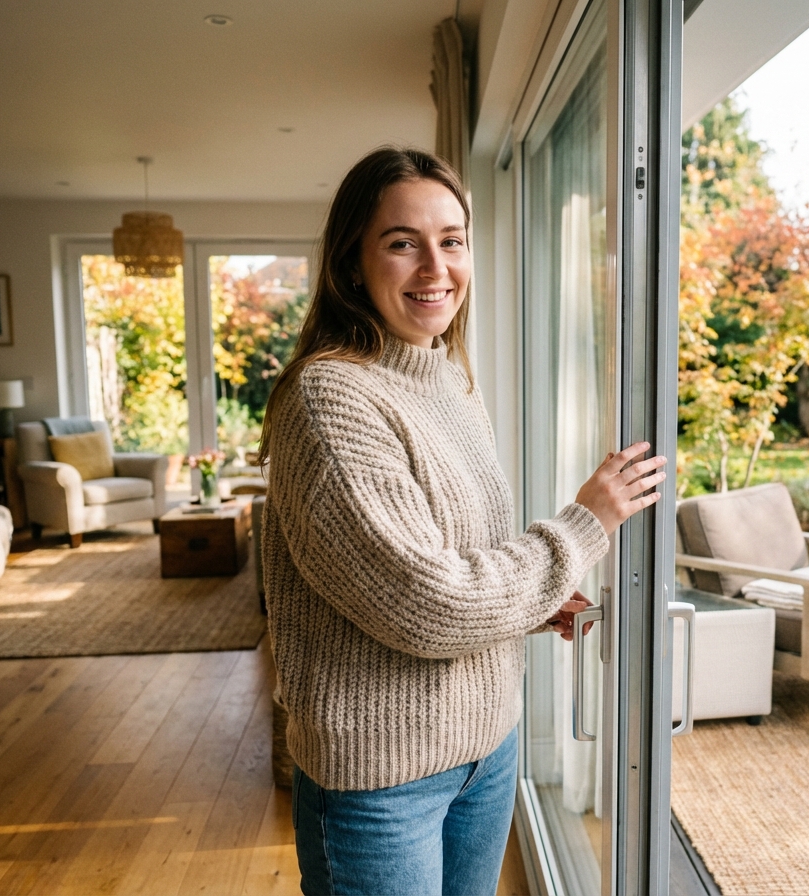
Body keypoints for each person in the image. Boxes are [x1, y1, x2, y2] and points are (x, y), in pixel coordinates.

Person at [259, 146, 666, 896]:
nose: (435, 268)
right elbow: (428, 603)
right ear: (352, 263)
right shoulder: (329, 400)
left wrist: (532, 601)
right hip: (382, 783)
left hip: (487, 749)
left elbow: (450, 560)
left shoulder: (448, 378)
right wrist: (585, 525)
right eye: (402, 243)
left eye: (452, 240)